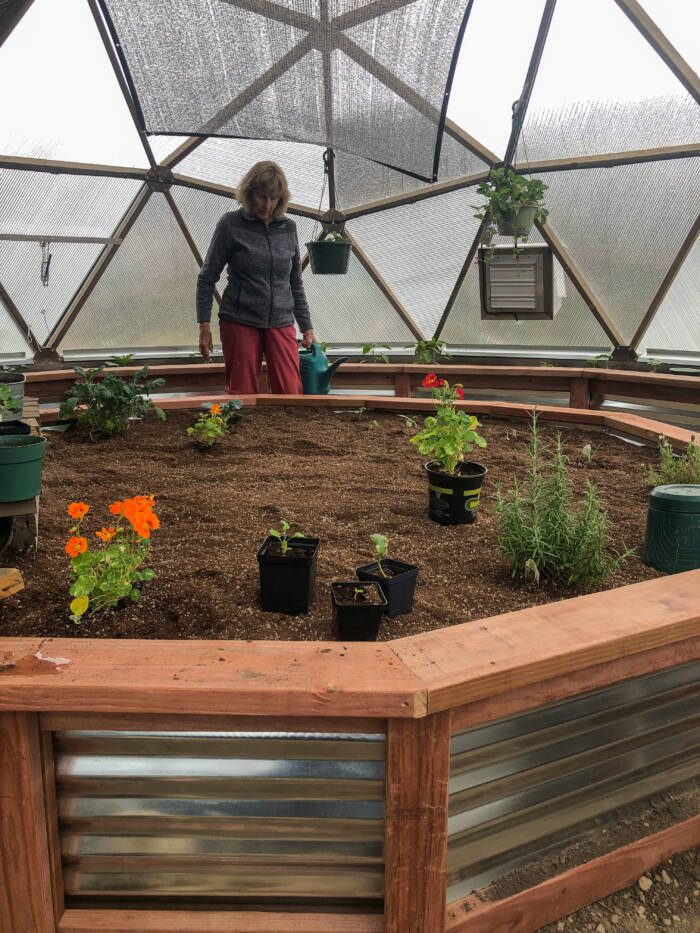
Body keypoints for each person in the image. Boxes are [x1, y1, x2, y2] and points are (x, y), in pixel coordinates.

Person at [196, 161, 314, 393]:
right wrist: (204, 326)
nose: (268, 205)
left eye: (274, 199)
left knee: (291, 390)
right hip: (239, 319)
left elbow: (294, 282)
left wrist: (306, 326)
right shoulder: (230, 224)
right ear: (249, 193)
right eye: (262, 197)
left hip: (281, 320)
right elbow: (207, 278)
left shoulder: (288, 228)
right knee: (242, 393)